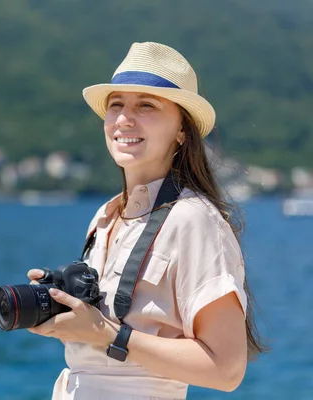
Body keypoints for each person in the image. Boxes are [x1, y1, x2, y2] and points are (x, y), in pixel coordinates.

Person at [26, 42, 266, 399]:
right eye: (116, 105)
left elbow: (227, 370)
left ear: (182, 130)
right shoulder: (105, 216)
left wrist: (107, 333)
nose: (124, 118)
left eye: (146, 105)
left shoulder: (194, 220)